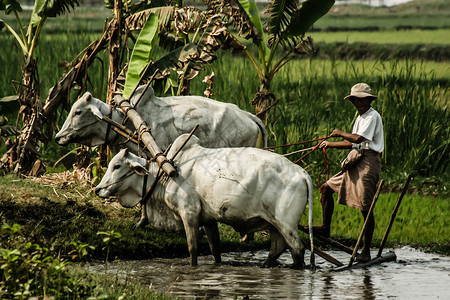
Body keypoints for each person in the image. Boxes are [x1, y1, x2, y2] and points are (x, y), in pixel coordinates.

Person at [316, 83, 384, 263]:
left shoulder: (372, 116)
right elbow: (353, 143)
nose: (359, 102)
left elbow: (358, 139)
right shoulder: (360, 118)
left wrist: (339, 133)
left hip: (369, 162)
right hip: (356, 159)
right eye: (356, 99)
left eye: (363, 99)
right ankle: (325, 227)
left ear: (369, 100)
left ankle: (366, 250)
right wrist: (329, 144)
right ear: (352, 101)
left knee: (365, 207)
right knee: (325, 188)